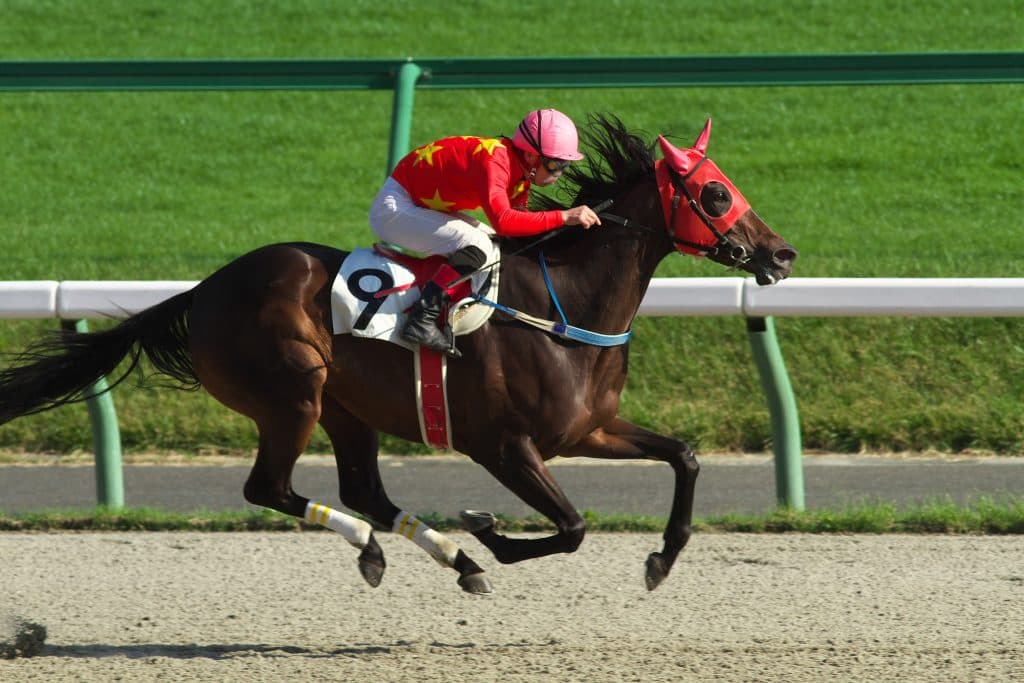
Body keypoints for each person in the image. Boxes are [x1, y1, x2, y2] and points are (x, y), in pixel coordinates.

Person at [369, 108, 602, 355]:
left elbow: (518, 226)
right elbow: (504, 221)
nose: (559, 174)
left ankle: (449, 308)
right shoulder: (495, 162)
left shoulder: (519, 173)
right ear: (531, 156)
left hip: (419, 203)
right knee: (477, 246)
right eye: (556, 164)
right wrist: (564, 217)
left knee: (491, 243)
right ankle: (422, 318)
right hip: (395, 208)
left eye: (564, 165)